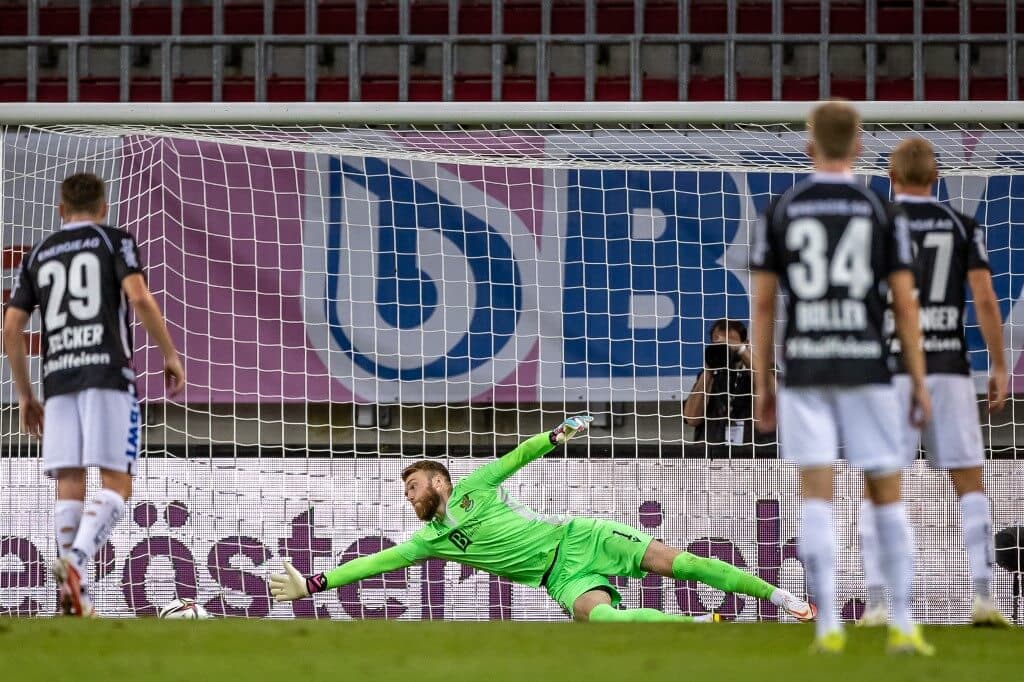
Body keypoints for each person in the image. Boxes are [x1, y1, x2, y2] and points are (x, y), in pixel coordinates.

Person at [270, 415, 816, 623]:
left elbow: (517, 456)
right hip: (561, 577)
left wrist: (558, 434)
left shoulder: (474, 489)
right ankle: (702, 626)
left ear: (439, 482)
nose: (408, 496)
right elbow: (374, 561)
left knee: (685, 564)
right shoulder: (427, 541)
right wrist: (315, 582)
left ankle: (782, 599)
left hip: (584, 536)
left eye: (413, 486)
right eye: (406, 491)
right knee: (602, 622)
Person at [750, 101, 934, 654]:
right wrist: (919, 382)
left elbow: (763, 308)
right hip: (868, 365)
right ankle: (903, 624)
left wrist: (764, 383)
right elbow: (906, 307)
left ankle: (828, 624)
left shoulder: (781, 209)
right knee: (886, 491)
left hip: (806, 368)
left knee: (816, 494)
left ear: (809, 149)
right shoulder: (881, 212)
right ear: (858, 148)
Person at [3, 172, 185, 616]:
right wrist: (169, 353)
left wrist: (26, 397)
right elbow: (139, 298)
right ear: (104, 208)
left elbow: (10, 328)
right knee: (117, 480)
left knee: (69, 480)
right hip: (107, 374)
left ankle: (74, 598)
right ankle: (76, 563)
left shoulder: (39, 254)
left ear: (60, 209)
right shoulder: (114, 241)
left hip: (58, 379)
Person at [856, 137, 1010, 628]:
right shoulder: (961, 225)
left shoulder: (874, 226)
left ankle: (878, 604)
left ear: (891, 178)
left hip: (891, 372)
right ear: (937, 176)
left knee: (879, 486)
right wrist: (999, 364)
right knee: (969, 483)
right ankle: (983, 598)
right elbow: (985, 299)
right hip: (947, 367)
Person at [684, 319, 756, 447]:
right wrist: (709, 370)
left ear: (746, 344)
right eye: (720, 343)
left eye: (731, 342)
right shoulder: (708, 376)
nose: (727, 347)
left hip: (755, 457)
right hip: (712, 458)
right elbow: (691, 419)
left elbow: (774, 393)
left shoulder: (763, 370)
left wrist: (741, 350)